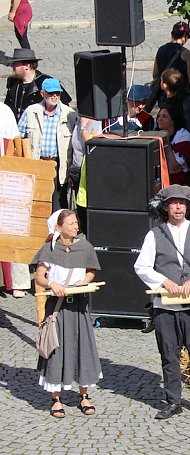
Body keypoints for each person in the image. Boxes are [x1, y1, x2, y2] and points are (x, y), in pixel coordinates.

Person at [133, 184, 190, 422]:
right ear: (166, 207)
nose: (178, 207)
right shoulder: (154, 235)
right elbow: (141, 266)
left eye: (182, 204)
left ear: (187, 206)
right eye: (174, 203)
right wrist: (163, 281)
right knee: (169, 355)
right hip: (165, 307)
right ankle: (173, 401)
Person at [32, 209, 102, 418]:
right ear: (58, 227)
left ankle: (84, 395)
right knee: (57, 349)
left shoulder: (85, 246)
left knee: (83, 348)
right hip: (58, 308)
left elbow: (91, 271)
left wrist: (84, 282)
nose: (76, 226)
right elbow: (39, 277)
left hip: (78, 307)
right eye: (71, 223)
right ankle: (56, 398)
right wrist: (52, 283)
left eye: (76, 223)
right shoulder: (49, 249)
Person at [18, 77, 78, 211]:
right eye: (51, 93)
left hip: (59, 166)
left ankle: (58, 231)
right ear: (42, 93)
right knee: (38, 203)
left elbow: (75, 145)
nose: (55, 96)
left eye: (57, 93)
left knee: (58, 204)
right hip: (37, 164)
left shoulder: (70, 114)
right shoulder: (31, 111)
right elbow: (20, 137)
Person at [152, 21, 190, 136]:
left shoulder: (160, 50)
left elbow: (155, 74)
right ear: (185, 36)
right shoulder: (186, 53)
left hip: (164, 96)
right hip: (184, 97)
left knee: (167, 127)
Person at [0, 99, 28, 298]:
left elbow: (14, 143)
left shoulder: (4, 111)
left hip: (6, 176)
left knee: (14, 227)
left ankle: (17, 282)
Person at [3, 47, 71, 120]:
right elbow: (6, 107)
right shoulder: (13, 82)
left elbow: (64, 109)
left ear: (26, 66)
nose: (12, 66)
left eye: (15, 63)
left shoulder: (46, 83)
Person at [157, 104, 190, 187]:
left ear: (173, 120)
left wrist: (166, 141)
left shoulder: (184, 136)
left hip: (180, 184)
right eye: (158, 116)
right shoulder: (156, 134)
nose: (159, 119)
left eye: (164, 116)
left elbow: (173, 168)